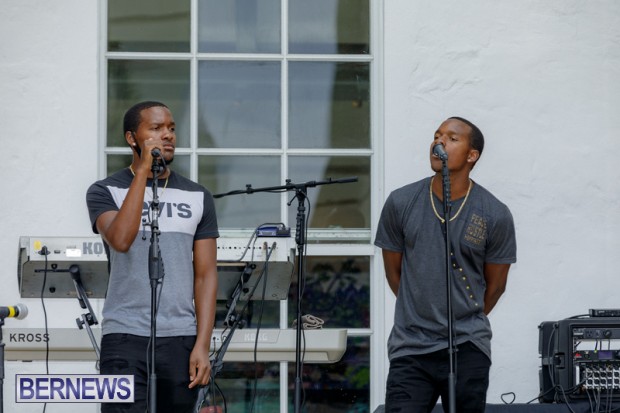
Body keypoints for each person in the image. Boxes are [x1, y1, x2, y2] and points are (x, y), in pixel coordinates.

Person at [375, 117, 516, 413]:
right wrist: (421, 310)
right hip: (411, 346)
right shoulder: (400, 202)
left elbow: (496, 286)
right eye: (437, 135)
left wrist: (463, 318)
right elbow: (393, 273)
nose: (438, 142)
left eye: (451, 138)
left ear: (472, 155)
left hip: (468, 346)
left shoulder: (494, 213)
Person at [86, 101, 219, 412]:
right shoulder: (104, 191)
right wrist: (143, 172)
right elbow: (120, 239)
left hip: (180, 337)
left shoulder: (198, 196)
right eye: (156, 128)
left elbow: (206, 275)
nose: (168, 135)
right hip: (123, 335)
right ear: (132, 138)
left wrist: (202, 345)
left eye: (171, 128)